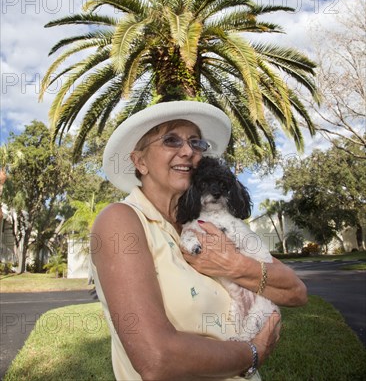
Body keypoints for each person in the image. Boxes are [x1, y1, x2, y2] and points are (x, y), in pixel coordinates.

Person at [91, 101, 307, 380]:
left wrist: (234, 265)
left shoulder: (209, 222)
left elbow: (297, 292)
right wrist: (253, 352)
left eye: (196, 143)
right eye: (171, 140)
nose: (188, 151)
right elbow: (156, 359)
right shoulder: (121, 221)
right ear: (139, 161)